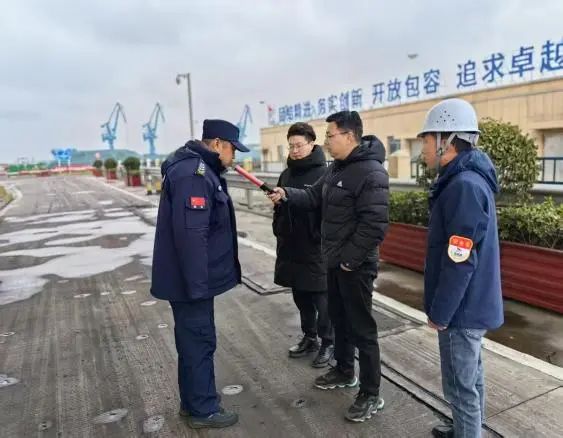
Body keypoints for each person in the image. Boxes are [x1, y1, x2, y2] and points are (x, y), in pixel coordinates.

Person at [268, 111, 389, 423]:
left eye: (330, 135)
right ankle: (344, 370)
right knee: (339, 319)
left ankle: (370, 393)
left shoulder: (371, 172)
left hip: (355, 266)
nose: (326, 142)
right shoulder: (337, 168)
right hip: (333, 261)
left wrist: (349, 260)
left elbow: (374, 225)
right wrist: (285, 194)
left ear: (348, 136)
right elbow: (312, 196)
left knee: (363, 329)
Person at [151, 119, 249, 429]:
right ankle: (203, 410)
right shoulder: (195, 174)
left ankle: (193, 401)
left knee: (193, 342)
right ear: (218, 144)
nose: (234, 156)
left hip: (190, 280)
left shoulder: (197, 170)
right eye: (233, 149)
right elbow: (192, 236)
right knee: (199, 341)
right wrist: (197, 287)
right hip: (190, 283)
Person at [418, 98, 504, 438]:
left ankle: (467, 431)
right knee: (470, 378)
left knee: (460, 386)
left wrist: (440, 313)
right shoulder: (465, 180)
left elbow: (459, 259)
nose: (423, 148)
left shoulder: (464, 185)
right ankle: (464, 429)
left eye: (426, 140)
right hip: (468, 304)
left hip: (461, 310)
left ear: (447, 140)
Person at [272, 122, 334, 368]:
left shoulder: (324, 173)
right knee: (300, 296)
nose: (295, 151)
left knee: (321, 298)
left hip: (315, 246)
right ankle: (310, 337)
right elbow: (281, 206)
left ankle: (328, 342)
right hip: (291, 245)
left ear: (312, 143)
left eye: (299, 145)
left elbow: (326, 210)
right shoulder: (286, 173)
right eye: (291, 146)